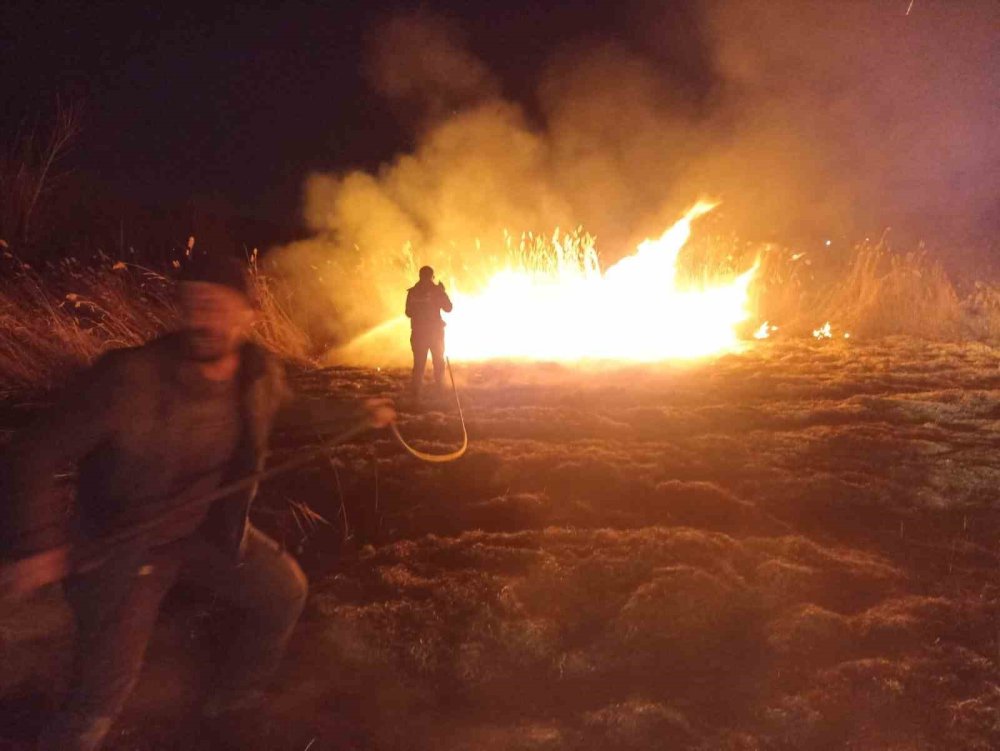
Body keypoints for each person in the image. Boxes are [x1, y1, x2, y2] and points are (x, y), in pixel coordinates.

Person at [0, 255, 394, 751]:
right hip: (125, 547)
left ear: (248, 313)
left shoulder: (258, 374)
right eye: (192, 305)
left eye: (217, 306)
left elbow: (294, 412)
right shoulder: (129, 379)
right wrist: (38, 544)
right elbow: (35, 450)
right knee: (102, 691)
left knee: (283, 592)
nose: (202, 318)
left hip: (210, 531)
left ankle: (232, 703)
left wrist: (361, 412)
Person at [405, 265, 453, 397]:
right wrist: (442, 292)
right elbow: (448, 308)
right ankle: (440, 390)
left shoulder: (413, 292)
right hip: (435, 334)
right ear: (432, 277)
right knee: (438, 362)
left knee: (419, 364)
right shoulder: (436, 291)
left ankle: (416, 394)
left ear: (420, 276)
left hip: (418, 334)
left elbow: (408, 312)